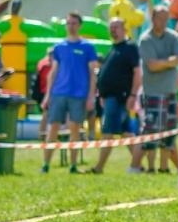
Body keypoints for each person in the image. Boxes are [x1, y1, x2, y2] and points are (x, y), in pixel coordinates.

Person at [41, 13, 98, 174]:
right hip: (59, 92)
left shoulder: (88, 47)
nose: (71, 26)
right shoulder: (59, 47)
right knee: (53, 128)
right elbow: (53, 72)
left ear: (79, 25)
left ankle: (73, 165)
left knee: (75, 130)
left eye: (74, 23)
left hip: (78, 94)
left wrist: (91, 97)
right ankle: (45, 164)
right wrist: (48, 95)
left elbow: (92, 73)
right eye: (68, 23)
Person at [92, 17, 142, 174]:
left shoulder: (130, 48)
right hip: (109, 98)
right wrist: (102, 94)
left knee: (108, 132)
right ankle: (138, 164)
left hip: (119, 97)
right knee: (126, 133)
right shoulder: (114, 49)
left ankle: (99, 167)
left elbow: (137, 73)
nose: (113, 30)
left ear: (124, 29)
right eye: (111, 27)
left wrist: (133, 95)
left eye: (116, 27)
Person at [138, 5, 178, 175]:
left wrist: (161, 62)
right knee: (152, 130)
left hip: (170, 91)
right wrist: (168, 62)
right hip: (152, 92)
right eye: (160, 18)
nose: (164, 22)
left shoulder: (173, 37)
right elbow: (152, 65)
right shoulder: (145, 39)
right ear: (153, 18)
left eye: (166, 19)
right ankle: (150, 167)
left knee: (169, 131)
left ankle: (164, 167)